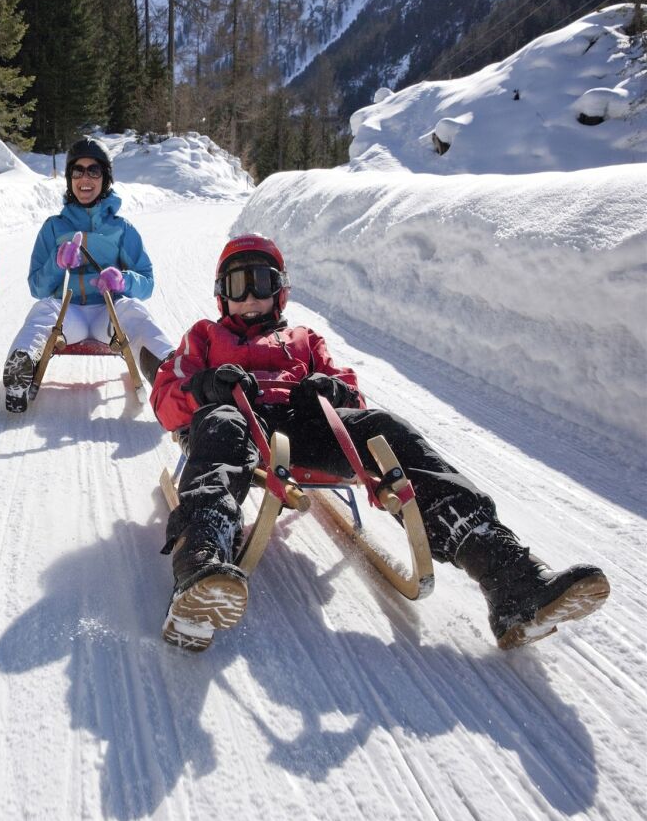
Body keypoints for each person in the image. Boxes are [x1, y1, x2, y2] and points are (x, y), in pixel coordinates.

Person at [151, 233, 610, 651]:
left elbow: (348, 387)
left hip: (306, 424)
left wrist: (331, 391)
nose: (250, 298)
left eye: (261, 283)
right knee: (221, 423)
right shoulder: (203, 336)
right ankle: (201, 563)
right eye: (238, 286)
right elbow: (165, 397)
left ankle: (509, 578)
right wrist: (204, 385)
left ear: (281, 290)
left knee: (384, 427)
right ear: (221, 295)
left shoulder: (302, 338)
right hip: (239, 421)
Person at [3, 136, 173, 413]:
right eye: (77, 170)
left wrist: (123, 279)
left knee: (133, 310)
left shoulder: (122, 229)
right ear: (69, 178)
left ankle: (171, 373)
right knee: (44, 311)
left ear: (105, 178)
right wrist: (58, 264)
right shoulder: (53, 228)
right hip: (69, 313)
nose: (85, 177)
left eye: (94, 170)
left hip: (109, 312)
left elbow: (147, 283)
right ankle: (20, 369)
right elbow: (37, 286)